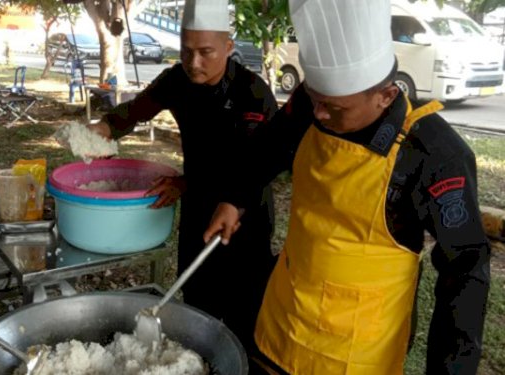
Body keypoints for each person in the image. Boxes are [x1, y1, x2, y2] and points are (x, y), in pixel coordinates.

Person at [205, 0, 491, 374]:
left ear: (385, 95)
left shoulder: (434, 155)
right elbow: (269, 146)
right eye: (315, 100)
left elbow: (465, 272)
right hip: (283, 321)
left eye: (335, 109)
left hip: (356, 351)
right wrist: (235, 198)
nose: (319, 115)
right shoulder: (316, 103)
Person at [87, 0, 278, 367]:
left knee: (244, 318)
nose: (194, 63)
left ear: (228, 47)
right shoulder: (177, 79)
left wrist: (194, 184)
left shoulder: (252, 93)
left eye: (206, 52)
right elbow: (136, 110)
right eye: (187, 51)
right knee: (197, 312)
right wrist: (103, 129)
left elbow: (253, 165)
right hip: (197, 211)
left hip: (245, 215)